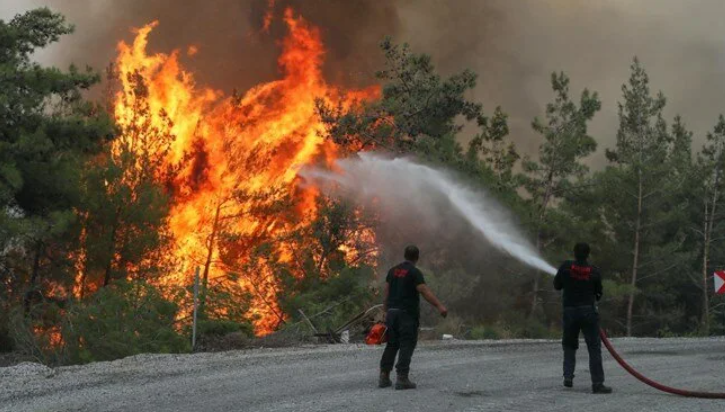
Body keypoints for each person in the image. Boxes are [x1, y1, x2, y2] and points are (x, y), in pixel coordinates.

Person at [378, 245, 448, 390]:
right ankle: (402, 378)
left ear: (404, 255)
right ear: (417, 258)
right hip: (406, 314)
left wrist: (384, 310)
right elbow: (423, 290)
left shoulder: (393, 271)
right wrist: (439, 306)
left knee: (392, 344)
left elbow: (386, 291)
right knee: (406, 344)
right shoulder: (414, 272)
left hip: (392, 313)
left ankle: (384, 377)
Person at [554, 242, 613, 394]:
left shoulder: (565, 267)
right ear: (588, 254)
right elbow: (599, 292)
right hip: (588, 312)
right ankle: (597, 384)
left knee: (569, 344)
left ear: (574, 253)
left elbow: (557, 285)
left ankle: (568, 377)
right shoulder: (594, 271)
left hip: (570, 311)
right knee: (594, 348)